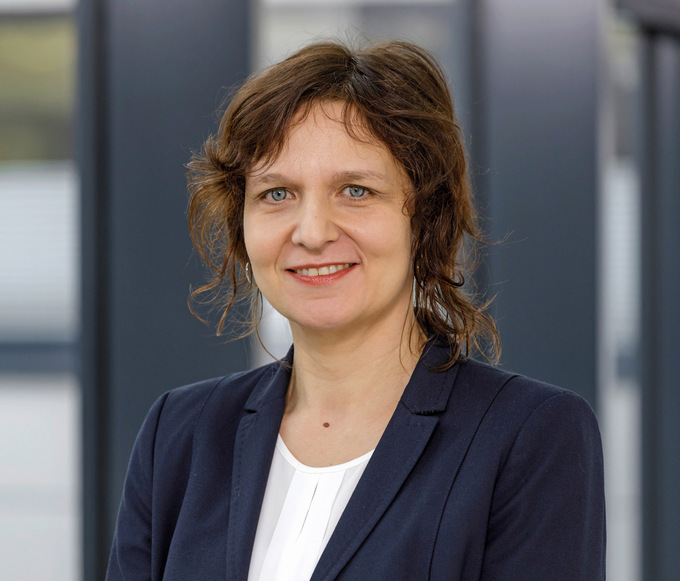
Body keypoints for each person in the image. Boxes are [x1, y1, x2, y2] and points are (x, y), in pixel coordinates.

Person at [106, 40, 605, 580]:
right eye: (277, 194)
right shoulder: (180, 434)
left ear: (425, 217)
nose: (312, 232)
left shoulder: (530, 436)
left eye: (356, 190)